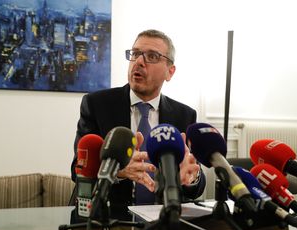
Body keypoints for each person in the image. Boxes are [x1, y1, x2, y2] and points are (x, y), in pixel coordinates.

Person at [70, 29, 205, 207]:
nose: (139, 61)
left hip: (161, 220)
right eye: (135, 54)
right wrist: (116, 171)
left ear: (170, 72)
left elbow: (196, 185)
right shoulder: (97, 104)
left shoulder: (184, 115)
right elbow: (77, 170)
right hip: (105, 216)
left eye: (152, 56)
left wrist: (191, 177)